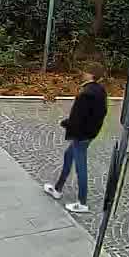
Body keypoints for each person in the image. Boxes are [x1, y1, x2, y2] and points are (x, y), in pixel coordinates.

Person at [43, 71, 107, 214]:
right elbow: (101, 112)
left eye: (85, 72)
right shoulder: (100, 90)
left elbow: (77, 118)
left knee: (80, 167)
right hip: (90, 133)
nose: (82, 74)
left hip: (81, 135)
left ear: (91, 75)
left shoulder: (86, 94)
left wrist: (65, 123)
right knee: (68, 156)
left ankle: (82, 202)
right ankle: (57, 189)